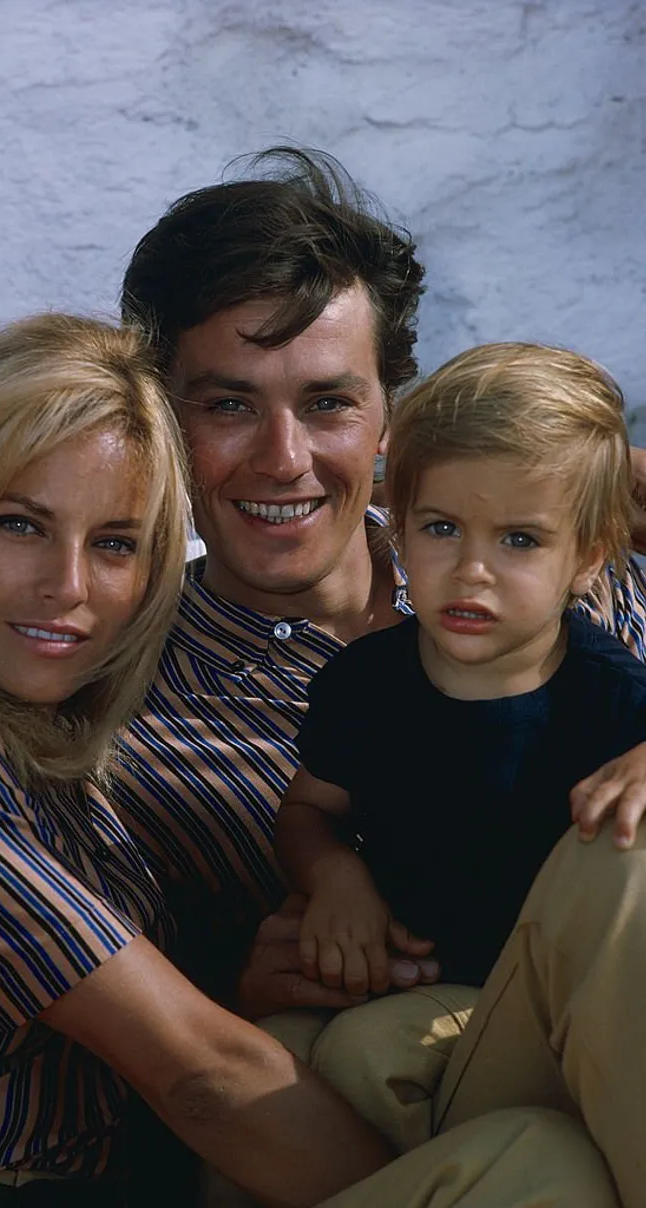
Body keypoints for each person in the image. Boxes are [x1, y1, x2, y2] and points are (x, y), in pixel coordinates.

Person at [115, 149, 646, 1205]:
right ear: (162, 420)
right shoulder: (115, 701)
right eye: (227, 404)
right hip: (366, 1113)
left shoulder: (590, 592)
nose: (282, 457)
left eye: (325, 402)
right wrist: (229, 982)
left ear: (388, 415)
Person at [0, 314, 399, 1208]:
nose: (68, 587)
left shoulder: (69, 775)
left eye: (114, 544)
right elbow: (199, 1078)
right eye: (21, 525)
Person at [276, 341, 646, 999]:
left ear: (587, 559)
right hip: (416, 988)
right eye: (443, 528)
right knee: (331, 1057)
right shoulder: (367, 685)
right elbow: (310, 810)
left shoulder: (615, 700)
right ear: (399, 528)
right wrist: (334, 877)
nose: (473, 570)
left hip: (574, 1003)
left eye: (520, 540)